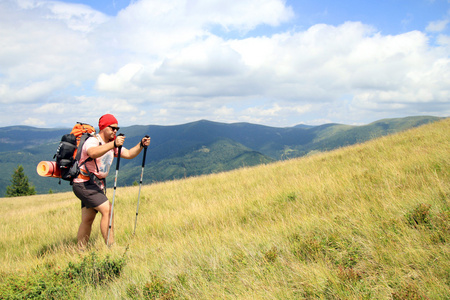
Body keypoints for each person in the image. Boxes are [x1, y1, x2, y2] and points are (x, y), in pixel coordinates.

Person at [72, 114, 151, 248]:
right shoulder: (93, 141)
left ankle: (80, 251)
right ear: (103, 128)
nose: (115, 131)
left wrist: (141, 144)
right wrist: (113, 144)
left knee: (87, 219)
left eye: (117, 128)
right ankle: (111, 247)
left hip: (93, 184)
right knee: (108, 210)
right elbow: (92, 153)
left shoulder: (111, 144)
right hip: (85, 183)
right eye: (112, 128)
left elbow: (129, 154)